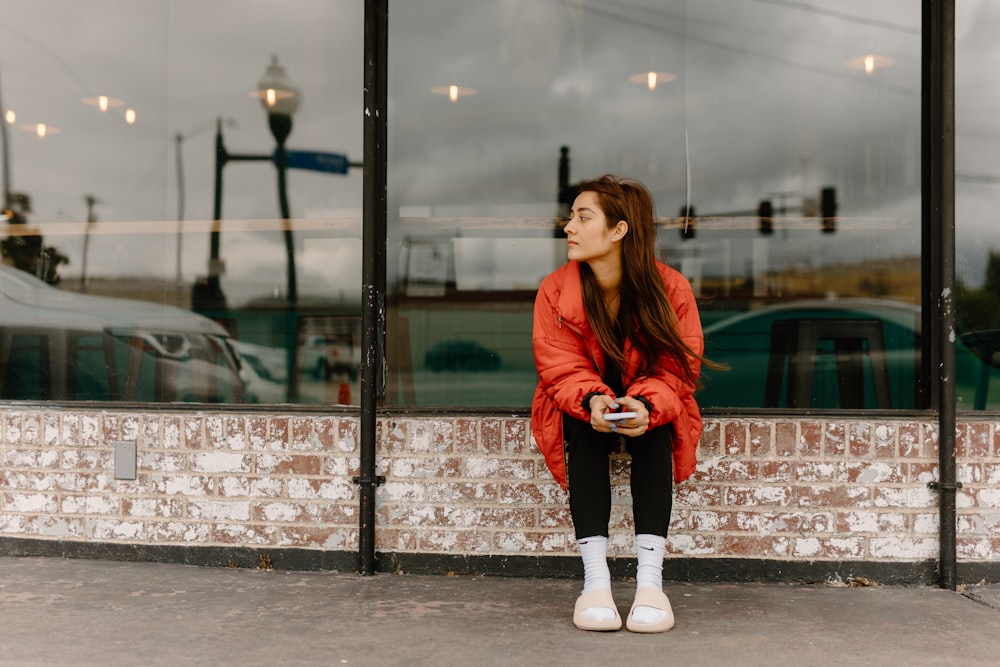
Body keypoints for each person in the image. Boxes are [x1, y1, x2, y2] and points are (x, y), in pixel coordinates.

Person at [531, 174, 710, 633]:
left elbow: (677, 370)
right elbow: (557, 364)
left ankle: (651, 584)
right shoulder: (555, 289)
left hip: (649, 401)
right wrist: (591, 399)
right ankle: (596, 582)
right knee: (585, 427)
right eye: (571, 216)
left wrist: (647, 406)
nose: (568, 226)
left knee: (652, 428)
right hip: (579, 403)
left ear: (619, 230)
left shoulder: (670, 289)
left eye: (582, 216)